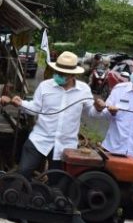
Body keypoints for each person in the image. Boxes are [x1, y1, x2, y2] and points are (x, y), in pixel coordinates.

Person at [12, 51, 94, 179]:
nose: (58, 76)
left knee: (57, 181)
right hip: (39, 139)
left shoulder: (84, 90)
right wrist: (21, 103)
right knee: (23, 172)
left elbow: (91, 112)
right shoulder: (45, 86)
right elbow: (35, 108)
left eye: (62, 74)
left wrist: (100, 108)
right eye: (57, 72)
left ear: (73, 75)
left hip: (65, 145)